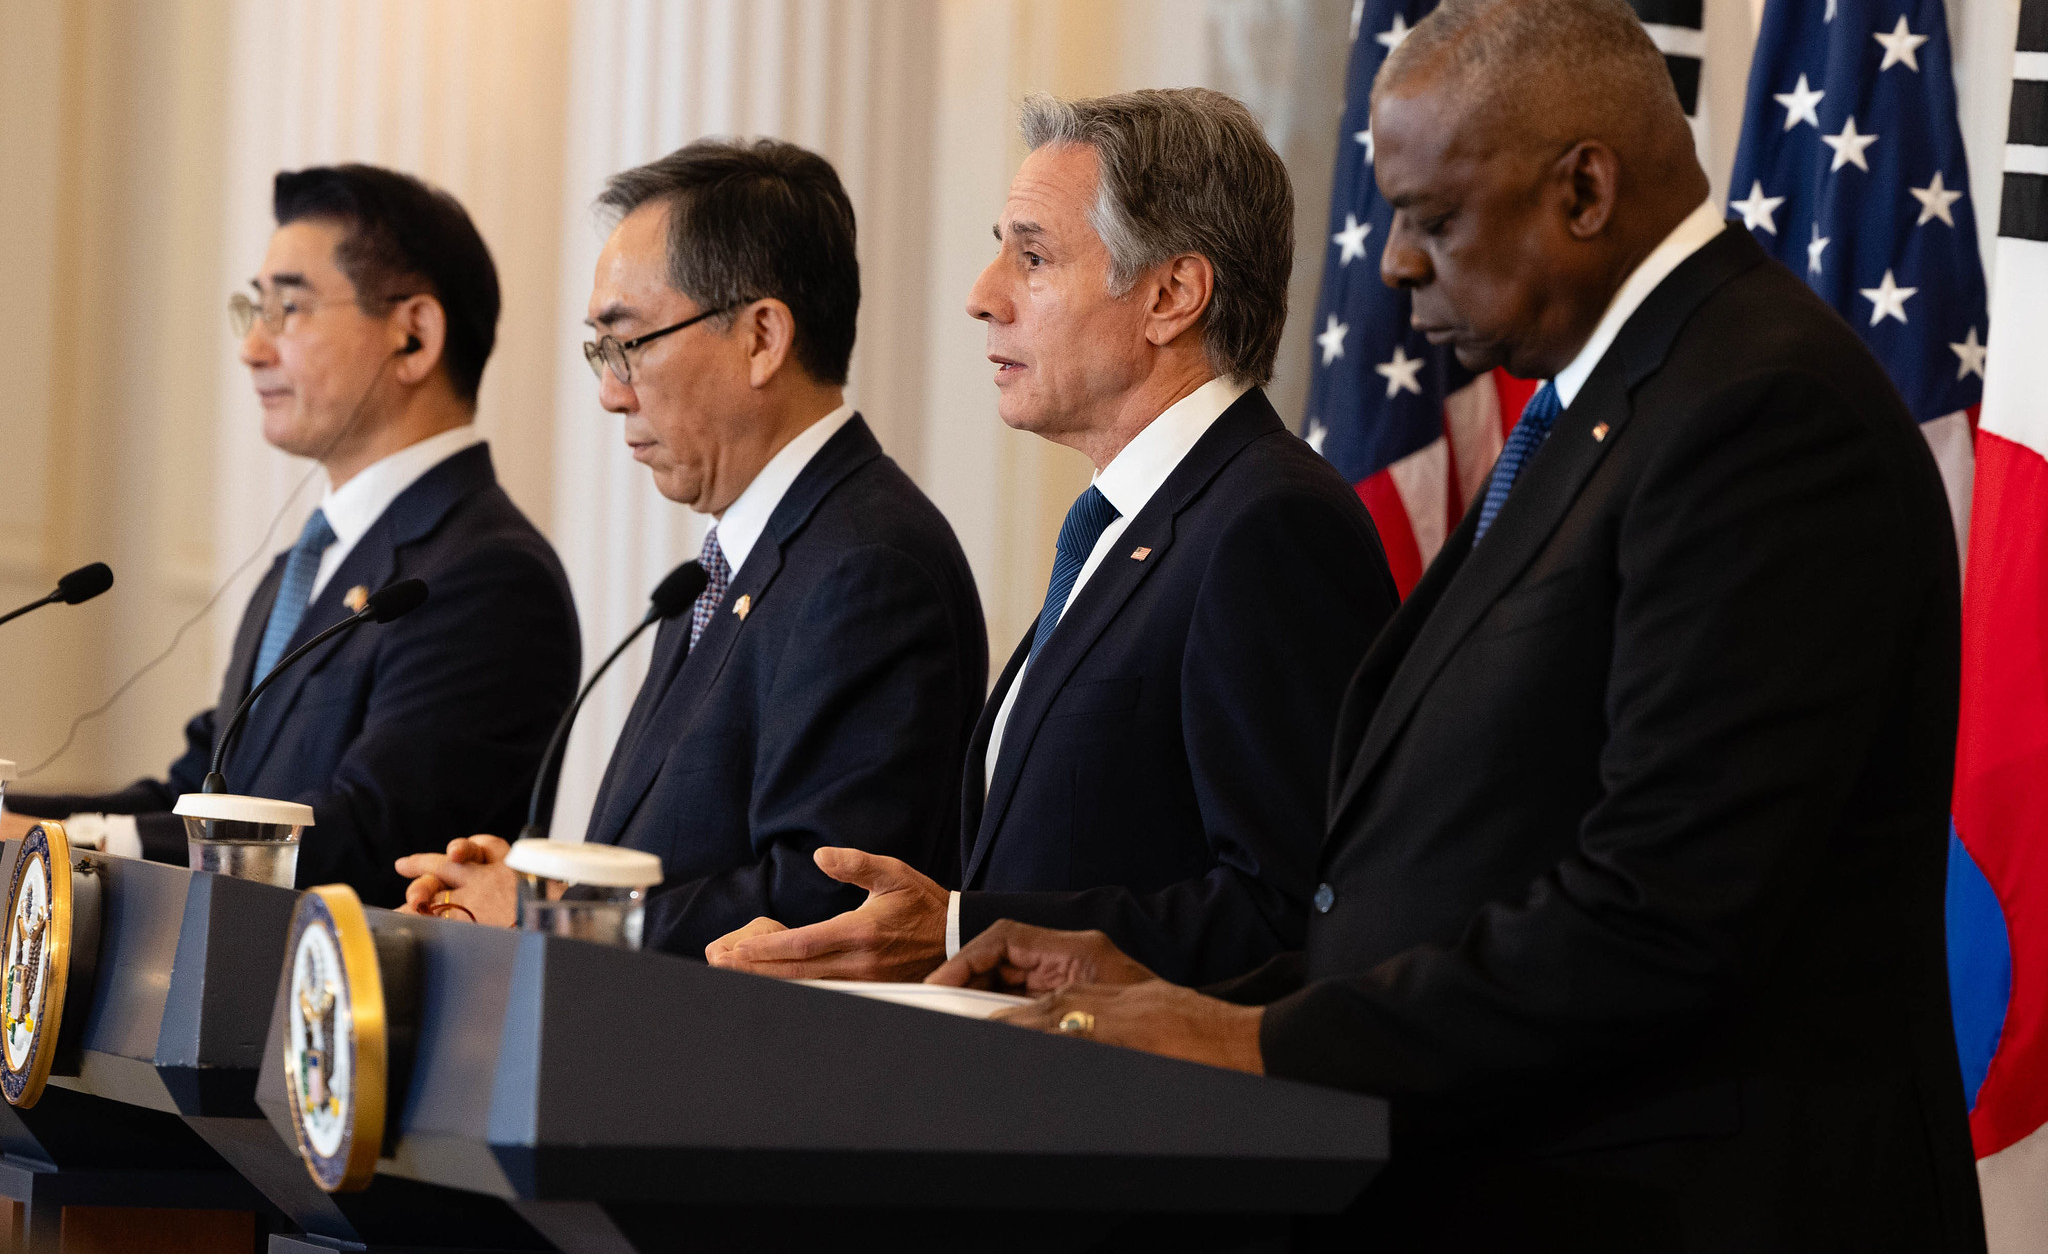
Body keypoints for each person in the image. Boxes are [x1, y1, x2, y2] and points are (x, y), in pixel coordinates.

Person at [929, 0, 1987, 1251]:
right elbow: (1438, 881)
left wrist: (1258, 1035)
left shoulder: (1759, 416)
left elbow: (1663, 912)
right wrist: (1168, 989)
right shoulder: (1602, 413)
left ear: (1582, 191)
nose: (1394, 261)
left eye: (1431, 213)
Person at [707, 90, 1397, 986]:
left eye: (1031, 257)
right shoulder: (1129, 525)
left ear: (1171, 295)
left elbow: (1289, 910)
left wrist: (966, 930)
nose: (983, 296)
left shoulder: (1269, 523)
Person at [395, 139, 987, 958]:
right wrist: (546, 889)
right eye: (600, 351)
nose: (610, 392)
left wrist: (553, 917)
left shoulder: (868, 567)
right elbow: (692, 853)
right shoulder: (732, 557)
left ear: (762, 337)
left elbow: (818, 904)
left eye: (628, 342)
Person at [6, 166, 581, 908]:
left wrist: (69, 844)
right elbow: (200, 793)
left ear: (414, 334)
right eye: (255, 306)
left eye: (288, 307)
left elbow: (374, 839)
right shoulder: (302, 565)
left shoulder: (490, 575)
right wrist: (21, 821)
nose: (252, 347)